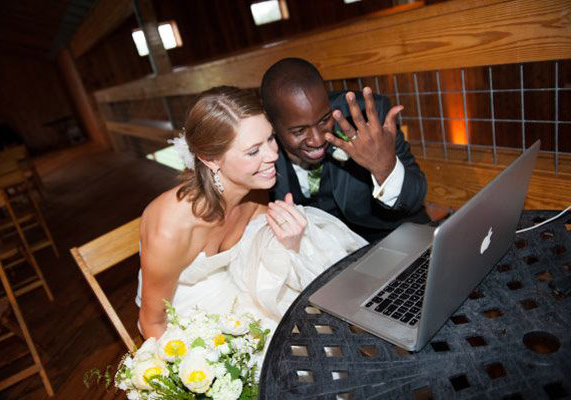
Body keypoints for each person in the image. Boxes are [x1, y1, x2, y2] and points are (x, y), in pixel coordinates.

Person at [136, 86, 366, 339]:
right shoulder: (171, 228)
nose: (272, 155)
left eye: (270, 138)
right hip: (184, 313)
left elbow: (258, 253)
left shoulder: (256, 190)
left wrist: (288, 243)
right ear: (211, 159)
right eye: (253, 151)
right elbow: (153, 322)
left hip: (236, 290)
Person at [260, 58, 430, 243]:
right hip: (321, 254)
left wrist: (385, 169)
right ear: (271, 123)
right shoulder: (259, 145)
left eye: (325, 120)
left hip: (391, 237)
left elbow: (414, 198)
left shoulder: (368, 117)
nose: (318, 140)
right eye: (299, 131)